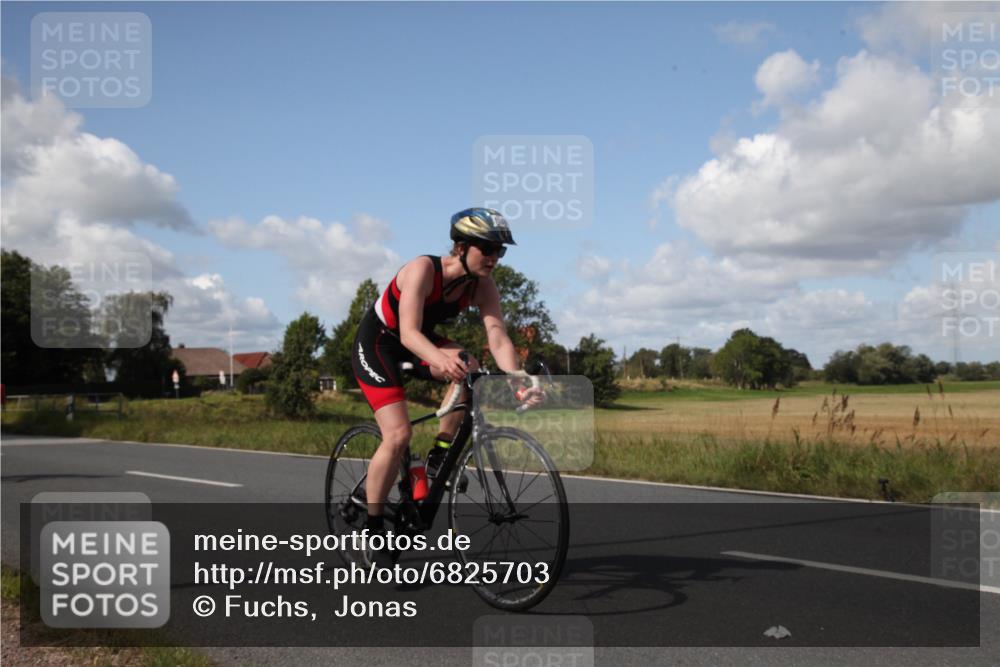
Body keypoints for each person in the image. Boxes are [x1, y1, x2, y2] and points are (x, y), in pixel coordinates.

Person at [350, 207, 543, 560]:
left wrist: (518, 377)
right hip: (379, 343)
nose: (495, 258)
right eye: (487, 249)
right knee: (398, 435)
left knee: (470, 367)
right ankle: (373, 528)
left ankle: (439, 455)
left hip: (418, 340)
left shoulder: (482, 286)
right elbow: (407, 331)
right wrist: (440, 360)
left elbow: (497, 336)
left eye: (500, 251)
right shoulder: (423, 269)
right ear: (460, 247)